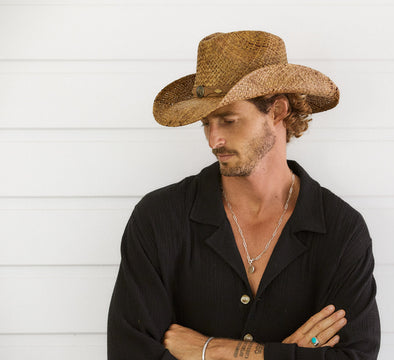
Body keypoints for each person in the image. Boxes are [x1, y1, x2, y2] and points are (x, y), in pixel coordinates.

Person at [107, 30, 380, 360]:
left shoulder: (340, 230)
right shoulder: (159, 218)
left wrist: (215, 350)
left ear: (277, 111)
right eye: (206, 123)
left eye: (228, 120)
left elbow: (356, 356)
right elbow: (131, 352)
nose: (213, 140)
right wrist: (289, 354)